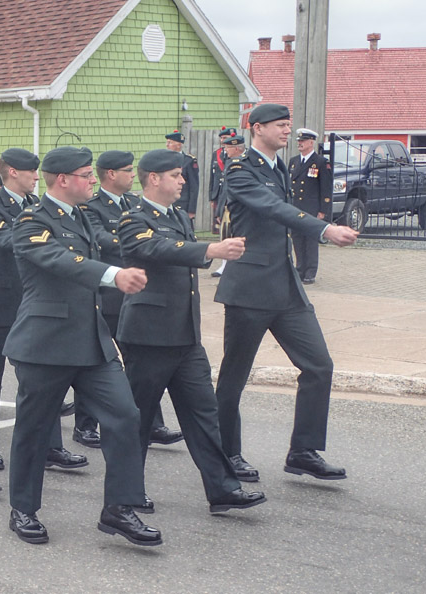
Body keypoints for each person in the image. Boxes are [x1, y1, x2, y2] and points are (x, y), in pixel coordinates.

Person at [4, 146, 159, 547]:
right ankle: (23, 508)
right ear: (63, 180)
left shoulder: (83, 217)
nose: (93, 180)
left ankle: (119, 509)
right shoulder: (31, 220)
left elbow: (113, 246)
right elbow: (59, 260)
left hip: (91, 343)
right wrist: (113, 276)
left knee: (125, 417)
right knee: (35, 430)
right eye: (87, 175)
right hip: (46, 344)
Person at [116, 148, 266, 514]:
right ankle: (128, 492)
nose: (183, 181)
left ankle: (223, 489)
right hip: (149, 335)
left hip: (185, 336)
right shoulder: (133, 217)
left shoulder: (179, 217)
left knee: (204, 415)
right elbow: (154, 248)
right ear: (154, 178)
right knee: (139, 419)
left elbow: (178, 249)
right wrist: (210, 248)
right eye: (176, 175)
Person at [215, 103, 359, 483]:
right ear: (256, 128)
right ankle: (226, 453)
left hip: (285, 286)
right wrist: (324, 230)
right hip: (249, 287)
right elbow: (274, 209)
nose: (287, 131)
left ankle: (303, 451)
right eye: (280, 125)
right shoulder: (240, 168)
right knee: (234, 376)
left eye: (288, 126)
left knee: (318, 365)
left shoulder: (283, 166)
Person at [0, 148, 86, 472]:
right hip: (0, 301)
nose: (37, 176)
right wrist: (48, 243)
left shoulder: (37, 207)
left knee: (42, 380)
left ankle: (51, 447)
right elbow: (9, 242)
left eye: (37, 171)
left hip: (34, 303)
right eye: (30, 171)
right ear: (11, 172)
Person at [77, 150, 182, 448]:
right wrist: (134, 241)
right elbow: (97, 238)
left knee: (141, 364)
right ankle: (86, 425)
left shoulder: (137, 205)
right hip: (108, 293)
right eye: (127, 170)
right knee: (96, 358)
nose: (131, 174)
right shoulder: (92, 206)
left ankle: (151, 423)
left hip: (136, 294)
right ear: (110, 174)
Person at [288, 128, 333, 284]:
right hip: (296, 208)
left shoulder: (320, 162)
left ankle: (310, 272)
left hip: (311, 208)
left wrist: (322, 210)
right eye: (299, 141)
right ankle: (300, 269)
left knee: (310, 241)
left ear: (311, 142)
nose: (300, 144)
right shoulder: (293, 162)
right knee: (297, 239)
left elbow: (326, 188)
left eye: (303, 141)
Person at [210, 130, 246, 277]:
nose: (225, 150)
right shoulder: (228, 163)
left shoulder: (245, 163)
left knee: (238, 236)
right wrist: (219, 208)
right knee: (225, 235)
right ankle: (224, 265)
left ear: (237, 148)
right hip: (226, 205)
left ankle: (237, 266)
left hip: (239, 207)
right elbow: (223, 187)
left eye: (228, 148)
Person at [165, 131, 199, 219]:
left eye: (170, 143)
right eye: (167, 142)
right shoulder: (164, 160)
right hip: (167, 203)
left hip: (182, 204)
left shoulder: (189, 161)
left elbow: (194, 187)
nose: (167, 145)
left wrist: (191, 210)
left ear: (179, 145)